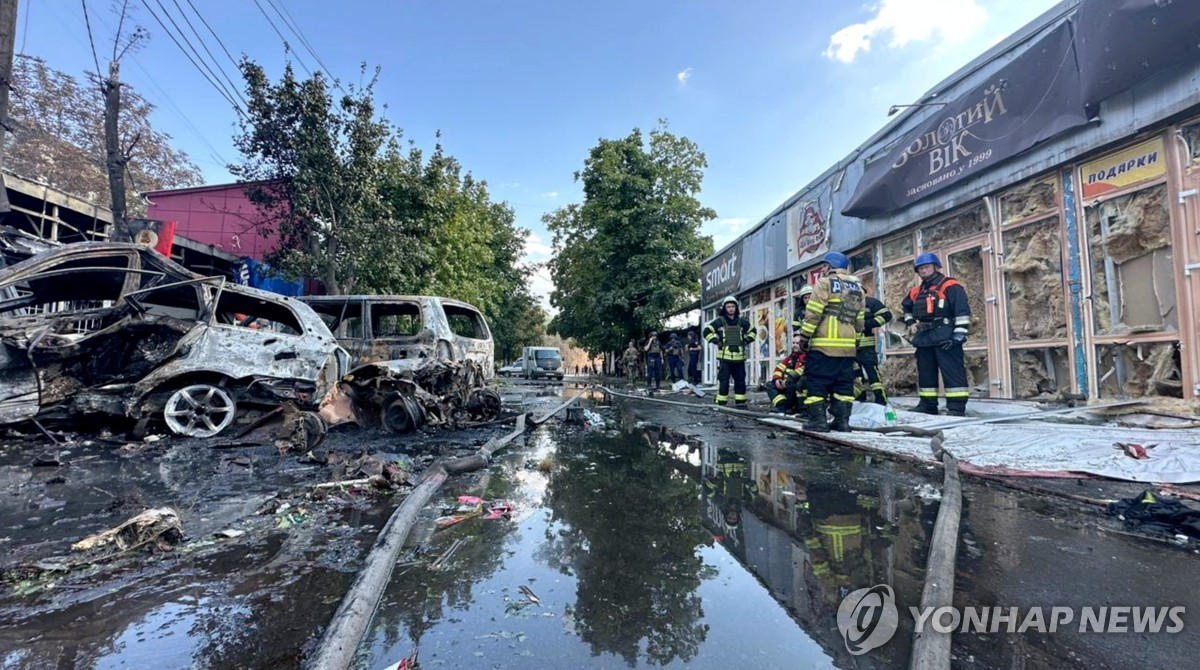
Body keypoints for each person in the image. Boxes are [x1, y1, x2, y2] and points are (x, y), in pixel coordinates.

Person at [796, 251, 865, 432]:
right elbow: (859, 320)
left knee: (816, 382)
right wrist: (855, 342)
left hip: (823, 347)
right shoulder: (856, 287)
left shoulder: (824, 283)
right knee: (843, 385)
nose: (823, 269)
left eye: (825, 266)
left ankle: (818, 422)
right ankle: (842, 422)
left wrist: (804, 337)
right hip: (847, 349)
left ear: (830, 266)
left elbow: (813, 314)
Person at [902, 252, 971, 416]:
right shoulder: (916, 291)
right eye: (920, 269)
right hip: (924, 338)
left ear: (936, 267)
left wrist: (958, 335)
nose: (923, 271)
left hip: (946, 336)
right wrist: (910, 323)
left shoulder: (950, 286)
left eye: (926, 267)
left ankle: (956, 408)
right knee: (925, 373)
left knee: (953, 372)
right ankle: (927, 405)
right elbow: (906, 307)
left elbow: (962, 311)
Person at [703, 296, 755, 405]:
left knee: (740, 381)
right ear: (724, 308)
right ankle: (722, 403)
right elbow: (706, 331)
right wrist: (716, 341)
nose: (731, 309)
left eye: (733, 306)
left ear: (736, 308)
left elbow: (753, 332)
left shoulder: (742, 322)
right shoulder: (719, 322)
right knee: (724, 381)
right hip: (725, 359)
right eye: (728, 307)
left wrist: (746, 340)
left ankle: (741, 403)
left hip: (740, 358)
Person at [857, 294, 893, 405]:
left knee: (873, 374)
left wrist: (867, 324)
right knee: (855, 376)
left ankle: (881, 400)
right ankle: (860, 399)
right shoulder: (843, 303)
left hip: (866, 346)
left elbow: (886, 315)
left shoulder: (870, 302)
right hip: (848, 347)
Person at [768, 334, 807, 414]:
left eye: (797, 343)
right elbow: (779, 368)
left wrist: (788, 380)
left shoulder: (807, 357)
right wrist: (777, 379)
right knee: (770, 385)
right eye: (793, 343)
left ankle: (792, 407)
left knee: (792, 384)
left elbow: (801, 372)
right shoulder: (791, 357)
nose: (795, 345)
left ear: (804, 344)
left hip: (796, 386)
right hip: (786, 384)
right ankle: (782, 405)